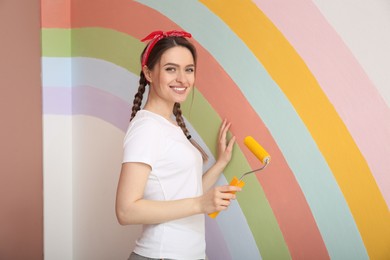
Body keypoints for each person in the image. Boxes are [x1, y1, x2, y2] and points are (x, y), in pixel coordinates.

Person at [115, 30, 241, 260]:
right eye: (171, 69)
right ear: (149, 73)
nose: (183, 79)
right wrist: (200, 204)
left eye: (189, 69)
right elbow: (126, 210)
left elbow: (185, 193)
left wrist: (220, 164)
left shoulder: (168, 126)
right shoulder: (147, 128)